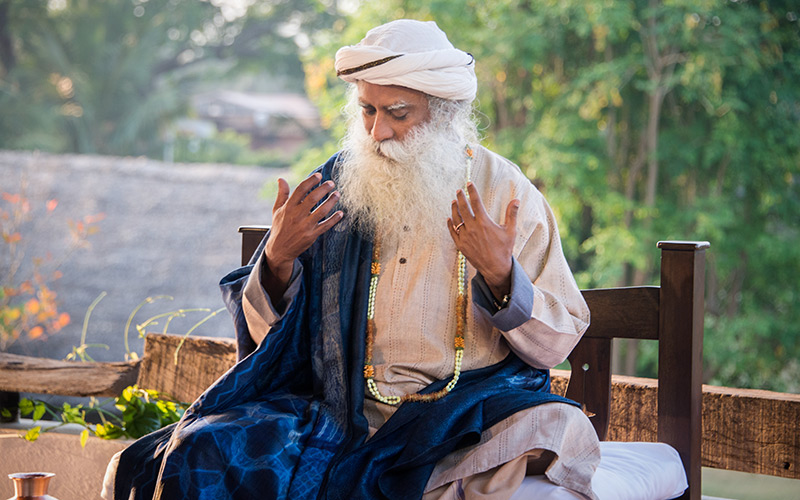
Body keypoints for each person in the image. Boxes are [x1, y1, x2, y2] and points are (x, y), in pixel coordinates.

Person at [103, 19, 600, 500]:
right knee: (200, 447)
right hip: (338, 408)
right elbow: (267, 341)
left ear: (445, 113)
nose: (377, 131)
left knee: (556, 425)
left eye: (398, 113)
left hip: (463, 411)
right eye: (367, 110)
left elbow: (557, 342)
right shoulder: (336, 186)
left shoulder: (506, 194)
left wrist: (500, 273)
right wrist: (277, 259)